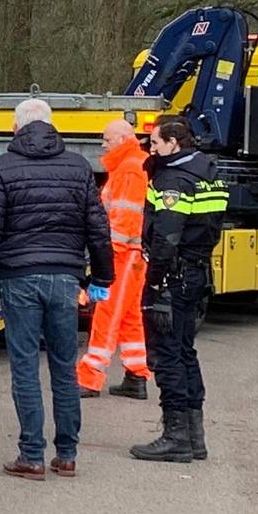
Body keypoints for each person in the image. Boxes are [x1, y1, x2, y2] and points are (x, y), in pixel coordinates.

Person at [0, 98, 115, 480]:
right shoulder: (78, 167)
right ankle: (66, 455)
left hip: (19, 278)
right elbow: (98, 229)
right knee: (65, 368)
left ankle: (31, 455)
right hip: (65, 278)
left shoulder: (2, 168)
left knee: (26, 367)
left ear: (16, 130)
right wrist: (101, 278)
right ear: (52, 127)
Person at [130, 115, 228, 463]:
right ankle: (195, 437)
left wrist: (154, 280)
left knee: (167, 354)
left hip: (172, 277)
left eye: (155, 143)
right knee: (186, 352)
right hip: (197, 273)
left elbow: (166, 237)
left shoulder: (173, 180)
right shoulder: (211, 173)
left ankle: (175, 437)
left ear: (173, 143)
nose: (151, 149)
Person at [77, 120, 152, 399]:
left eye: (107, 140)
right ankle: (136, 375)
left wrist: (105, 260)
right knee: (130, 316)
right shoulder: (130, 164)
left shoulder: (130, 168)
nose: (103, 144)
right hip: (131, 256)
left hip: (123, 256)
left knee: (106, 315)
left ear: (122, 138)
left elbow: (125, 220)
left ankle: (90, 378)